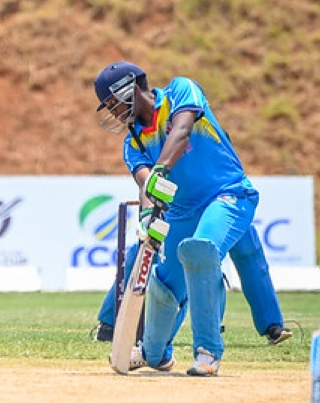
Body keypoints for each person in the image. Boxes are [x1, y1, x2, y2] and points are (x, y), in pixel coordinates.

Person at [92, 60, 281, 376]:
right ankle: (155, 352)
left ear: (131, 88)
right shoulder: (133, 142)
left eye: (112, 102)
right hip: (180, 211)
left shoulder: (181, 90)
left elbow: (181, 131)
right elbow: (144, 182)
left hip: (228, 193)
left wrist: (160, 171)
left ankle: (208, 352)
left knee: (202, 249)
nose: (112, 112)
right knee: (164, 286)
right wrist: (149, 211)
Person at [92, 224, 292, 347]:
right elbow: (145, 174)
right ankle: (110, 324)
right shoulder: (145, 153)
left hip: (222, 196)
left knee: (247, 246)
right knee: (146, 250)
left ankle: (271, 324)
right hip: (182, 201)